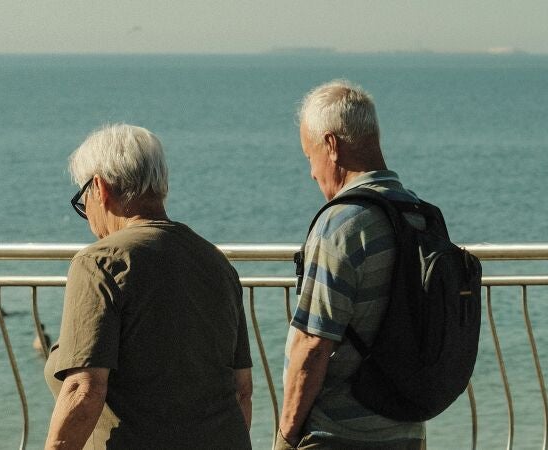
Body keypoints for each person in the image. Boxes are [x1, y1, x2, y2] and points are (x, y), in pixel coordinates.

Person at [45, 123, 253, 449]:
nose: (87, 216)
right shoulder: (216, 263)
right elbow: (242, 390)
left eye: (83, 200)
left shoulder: (100, 262)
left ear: (99, 187)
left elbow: (84, 389)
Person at [275, 80, 425, 450]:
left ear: (331, 145)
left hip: (338, 435)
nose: (312, 173)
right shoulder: (417, 215)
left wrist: (286, 436)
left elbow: (313, 344)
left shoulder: (341, 226)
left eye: (309, 157)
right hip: (406, 431)